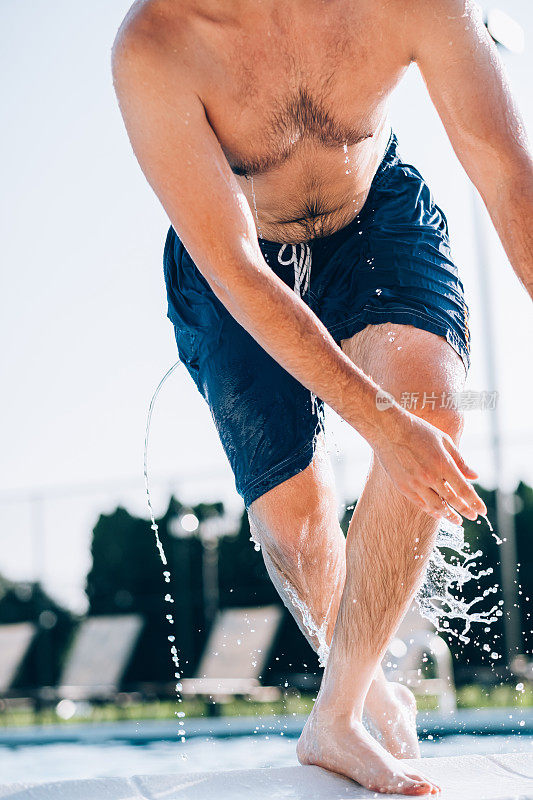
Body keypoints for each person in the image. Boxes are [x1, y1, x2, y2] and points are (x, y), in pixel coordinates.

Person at [112, 0, 532, 794]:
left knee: (432, 416)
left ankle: (334, 717)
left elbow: (508, 171)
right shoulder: (156, 45)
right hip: (231, 267)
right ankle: (370, 687)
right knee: (297, 525)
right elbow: (235, 267)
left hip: (373, 218)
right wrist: (381, 425)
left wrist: (402, 426)